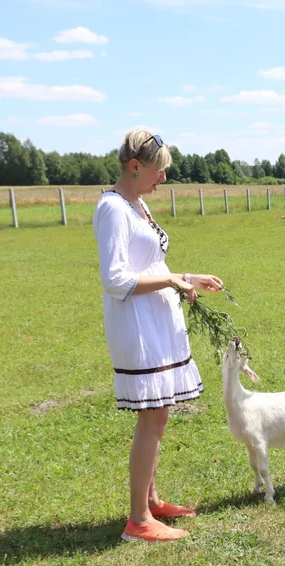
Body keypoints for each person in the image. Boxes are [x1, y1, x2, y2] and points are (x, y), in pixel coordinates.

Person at [94, 129, 225, 544]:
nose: (164, 179)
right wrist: (172, 278)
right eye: (159, 171)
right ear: (135, 166)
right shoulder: (114, 209)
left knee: (159, 413)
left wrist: (185, 278)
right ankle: (138, 522)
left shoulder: (137, 204)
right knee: (152, 417)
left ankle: (150, 501)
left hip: (155, 320)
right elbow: (116, 279)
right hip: (137, 325)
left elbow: (149, 264)